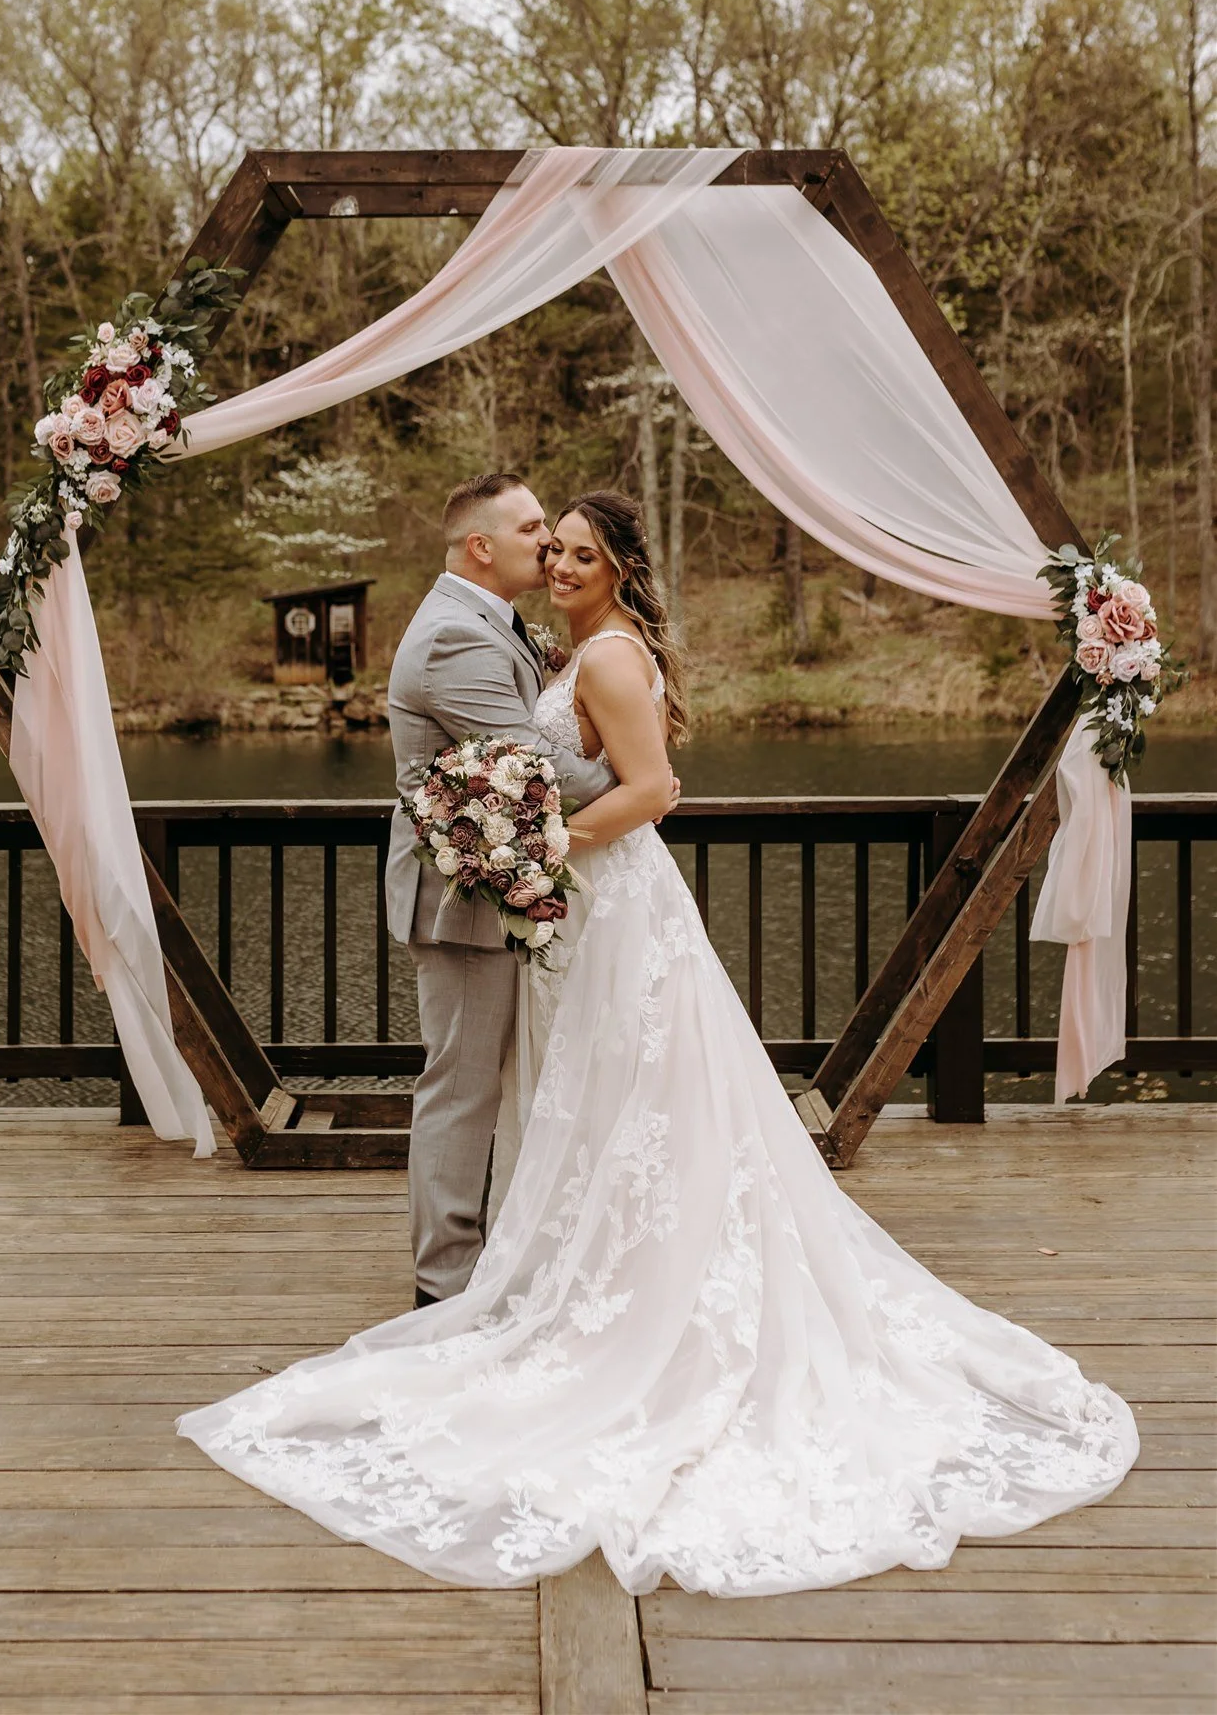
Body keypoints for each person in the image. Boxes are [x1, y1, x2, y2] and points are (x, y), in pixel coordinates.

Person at [178, 490, 1137, 1598]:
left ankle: (594, 1284)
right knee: (583, 1100)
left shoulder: (603, 656)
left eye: (581, 548)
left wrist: (543, 837)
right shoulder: (520, 639)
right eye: (552, 542)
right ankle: (522, 1274)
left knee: (632, 1095)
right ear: (494, 546)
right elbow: (536, 762)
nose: (562, 557)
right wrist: (536, 832)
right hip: (564, 904)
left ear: (620, 565)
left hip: (604, 902)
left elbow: (642, 787)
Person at [380, 473, 618, 1307]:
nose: (547, 544)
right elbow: (537, 765)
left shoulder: (496, 624)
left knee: (500, 1081)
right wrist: (638, 773)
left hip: (500, 883)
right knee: (462, 1087)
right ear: (481, 546)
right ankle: (441, 1287)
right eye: (531, 531)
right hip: (461, 894)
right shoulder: (455, 638)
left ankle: (496, 1256)